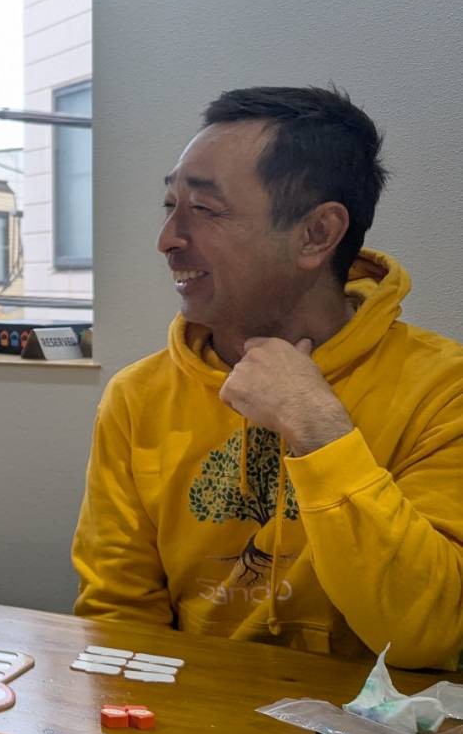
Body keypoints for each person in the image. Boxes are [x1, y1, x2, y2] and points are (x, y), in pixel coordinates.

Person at [72, 86, 463, 669]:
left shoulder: (443, 388)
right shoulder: (138, 397)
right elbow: (118, 619)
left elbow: (431, 635)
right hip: (187, 713)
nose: (167, 240)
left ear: (316, 234)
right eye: (170, 205)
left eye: (204, 210)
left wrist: (319, 428)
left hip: (373, 722)